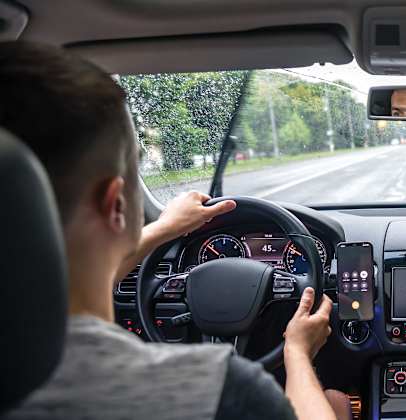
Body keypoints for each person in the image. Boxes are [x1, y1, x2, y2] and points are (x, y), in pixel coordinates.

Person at [0, 41, 350, 419]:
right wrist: (297, 352)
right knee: (336, 402)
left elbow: (76, 274)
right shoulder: (219, 392)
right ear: (116, 205)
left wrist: (164, 228)